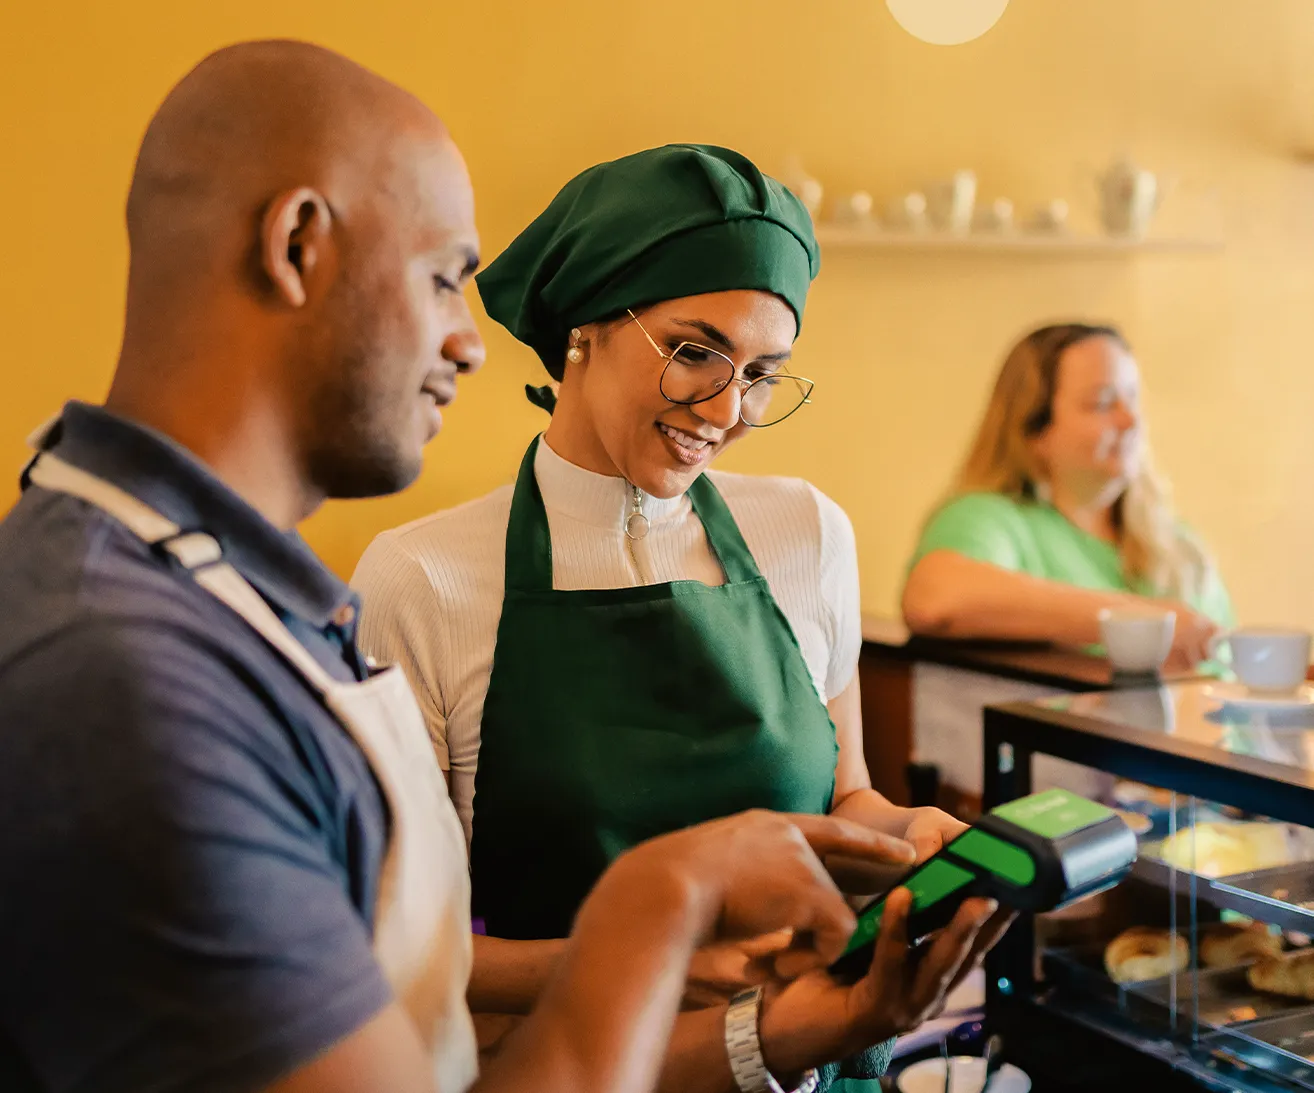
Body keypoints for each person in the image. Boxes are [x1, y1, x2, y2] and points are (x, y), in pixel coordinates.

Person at [0, 41, 1006, 1093]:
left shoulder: (250, 609)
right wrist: (664, 911)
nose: (473, 343)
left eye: (762, 373)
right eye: (442, 278)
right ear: (298, 243)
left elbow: (402, 985)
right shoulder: (127, 673)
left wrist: (778, 977)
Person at [353, 145, 1005, 1090]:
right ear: (585, 326)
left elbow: (845, 796)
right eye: (696, 351)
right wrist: (649, 955)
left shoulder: (806, 533)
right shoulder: (424, 580)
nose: (729, 407)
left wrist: (907, 836)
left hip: (814, 1067)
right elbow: (399, 955)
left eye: (765, 372)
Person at [902, 322, 1234, 671]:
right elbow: (936, 599)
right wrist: (1140, 620)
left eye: (1133, 398)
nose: (1130, 419)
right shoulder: (988, 518)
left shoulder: (1178, 543)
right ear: (1034, 430)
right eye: (1102, 403)